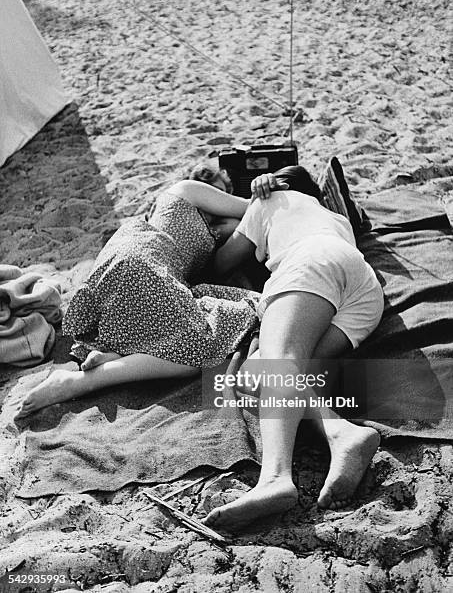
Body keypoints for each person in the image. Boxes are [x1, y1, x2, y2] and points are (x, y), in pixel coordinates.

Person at [202, 170, 384, 531]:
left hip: (311, 266)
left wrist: (226, 229)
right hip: (362, 291)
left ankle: (274, 478)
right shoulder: (333, 217)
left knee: (277, 362)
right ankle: (341, 432)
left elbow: (222, 263)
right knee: (254, 376)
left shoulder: (267, 201)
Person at [14, 166, 260, 419]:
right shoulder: (185, 191)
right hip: (144, 257)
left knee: (166, 337)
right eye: (219, 192)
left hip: (129, 264)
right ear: (204, 182)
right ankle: (79, 382)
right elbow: (251, 208)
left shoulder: (209, 227)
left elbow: (230, 251)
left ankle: (112, 355)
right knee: (196, 351)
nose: (221, 201)